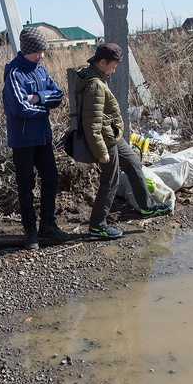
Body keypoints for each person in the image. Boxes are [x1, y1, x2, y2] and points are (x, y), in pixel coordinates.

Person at [74, 43, 171, 239]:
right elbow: (91, 123)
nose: (114, 69)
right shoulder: (95, 85)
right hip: (105, 140)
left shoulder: (99, 78)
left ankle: (146, 207)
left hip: (112, 136)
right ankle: (98, 225)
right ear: (102, 62)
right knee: (110, 181)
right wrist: (101, 151)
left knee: (134, 163)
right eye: (113, 65)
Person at [2, 27, 73, 250]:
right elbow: (20, 107)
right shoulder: (15, 73)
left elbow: (59, 94)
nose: (41, 55)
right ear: (27, 50)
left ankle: (48, 225)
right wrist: (44, 108)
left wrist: (38, 97)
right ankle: (30, 232)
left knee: (51, 180)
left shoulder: (41, 71)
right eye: (38, 51)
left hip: (43, 138)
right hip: (23, 140)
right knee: (26, 186)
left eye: (43, 51)